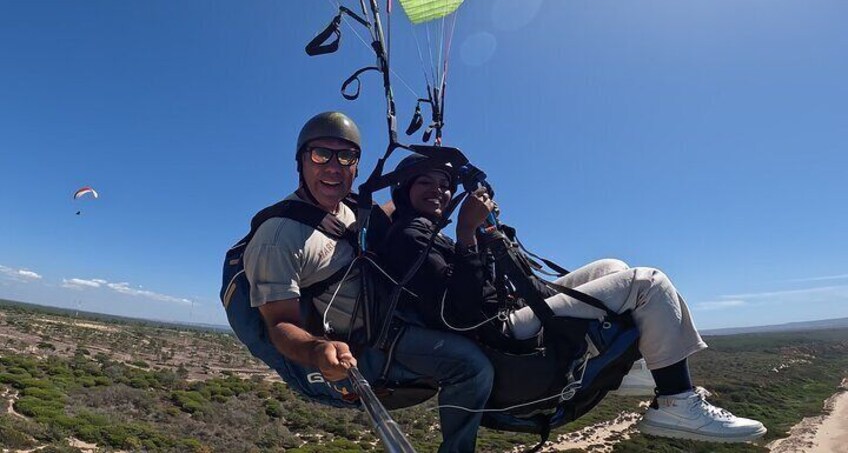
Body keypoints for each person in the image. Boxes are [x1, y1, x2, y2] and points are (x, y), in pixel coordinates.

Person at [380, 154, 768, 444]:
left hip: (506, 311)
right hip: (497, 331)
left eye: (443, 184)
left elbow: (466, 283)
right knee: (648, 283)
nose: (438, 190)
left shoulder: (429, 234)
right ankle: (677, 402)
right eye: (424, 184)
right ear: (404, 192)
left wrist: (483, 238)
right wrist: (468, 233)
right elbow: (459, 313)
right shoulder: (411, 236)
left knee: (610, 266)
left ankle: (630, 365)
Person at [242, 112, 493, 453]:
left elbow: (391, 208)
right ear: (301, 161)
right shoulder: (280, 236)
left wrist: (432, 178)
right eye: (320, 154)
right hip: (373, 343)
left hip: (392, 314)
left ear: (357, 166)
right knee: (472, 366)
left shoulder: (350, 208)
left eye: (346, 156)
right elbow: (280, 323)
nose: (333, 166)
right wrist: (318, 350)